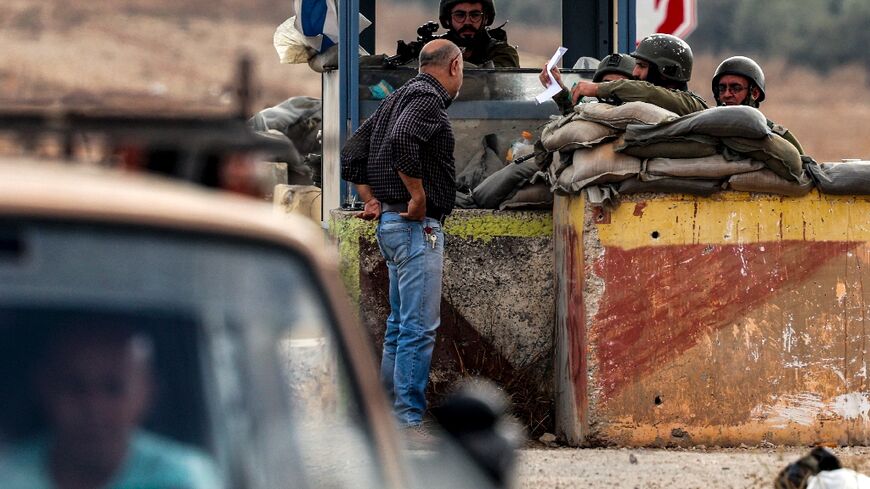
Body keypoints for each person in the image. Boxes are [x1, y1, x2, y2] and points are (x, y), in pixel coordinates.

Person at [340, 39, 463, 433]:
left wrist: (372, 199)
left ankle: (387, 416)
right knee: (418, 326)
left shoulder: (397, 98)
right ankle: (406, 418)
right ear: (455, 66)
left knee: (399, 325)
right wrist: (417, 196)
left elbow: (351, 154)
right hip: (414, 227)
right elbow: (403, 140)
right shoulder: (428, 98)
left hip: (390, 226)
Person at [0, 326, 221, 489]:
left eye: (113, 388)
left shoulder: (183, 478)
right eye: (75, 387)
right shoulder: (7, 475)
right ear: (45, 387)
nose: (93, 407)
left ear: (147, 392)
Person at [542, 34, 708, 116]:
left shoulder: (692, 105)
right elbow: (581, 121)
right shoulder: (634, 107)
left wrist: (600, 88)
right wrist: (558, 90)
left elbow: (648, 92)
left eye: (642, 66)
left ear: (666, 71)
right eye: (636, 66)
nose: (635, 73)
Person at [712, 55, 804, 154]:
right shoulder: (706, 129)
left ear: (755, 94)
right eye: (722, 89)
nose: (726, 94)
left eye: (736, 88)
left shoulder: (777, 137)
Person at [538, 53, 636, 114]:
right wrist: (556, 87)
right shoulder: (593, 111)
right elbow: (572, 114)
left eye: (621, 84)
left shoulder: (639, 114)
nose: (612, 89)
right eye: (607, 84)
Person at [439, 0, 519, 68]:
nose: (467, 22)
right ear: (447, 19)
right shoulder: (434, 50)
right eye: (460, 15)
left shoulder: (502, 52)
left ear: (486, 18)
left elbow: (495, 78)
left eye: (475, 15)